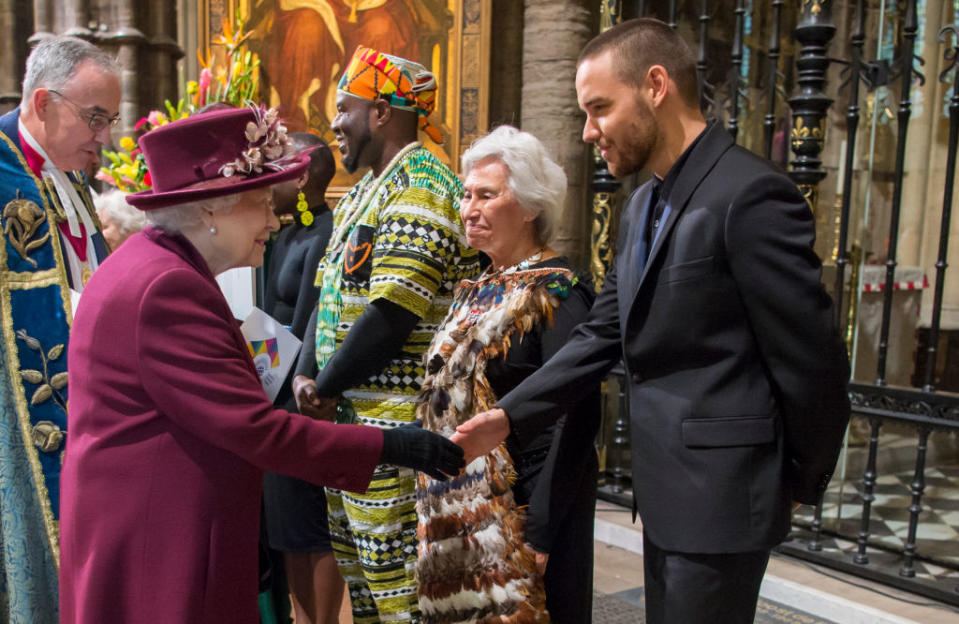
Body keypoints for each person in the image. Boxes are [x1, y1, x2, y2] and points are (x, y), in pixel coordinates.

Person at [452, 18, 851, 624]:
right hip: (665, 495)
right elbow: (600, 334)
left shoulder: (751, 194)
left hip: (724, 493)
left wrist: (798, 479)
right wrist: (508, 418)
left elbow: (811, 359)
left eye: (599, 109)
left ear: (656, 85)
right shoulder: (641, 205)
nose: (588, 132)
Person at [57, 105, 465, 624]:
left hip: (150, 519)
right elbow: (255, 429)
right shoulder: (166, 286)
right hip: (157, 536)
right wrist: (393, 445)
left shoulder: (154, 263)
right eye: (262, 204)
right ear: (211, 210)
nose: (276, 220)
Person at [291, 45, 479, 623]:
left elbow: (393, 313)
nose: (336, 126)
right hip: (356, 430)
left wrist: (322, 385)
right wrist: (304, 372)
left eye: (344, 109)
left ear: (380, 112)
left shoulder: (420, 183)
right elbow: (329, 302)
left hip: (398, 431)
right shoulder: (367, 191)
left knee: (405, 600)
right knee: (368, 593)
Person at [414, 125, 599, 623]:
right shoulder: (477, 287)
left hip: (522, 508)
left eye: (487, 195)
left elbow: (578, 416)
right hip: (456, 508)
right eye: (466, 195)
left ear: (533, 206)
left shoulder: (560, 291)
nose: (469, 209)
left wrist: (541, 528)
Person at [0, 35, 119, 622]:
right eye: (95, 117)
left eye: (110, 120)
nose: (104, 137)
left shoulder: (64, 178)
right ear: (44, 104)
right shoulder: (4, 175)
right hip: (19, 425)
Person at [260, 132, 343, 624]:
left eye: (280, 166)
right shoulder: (288, 231)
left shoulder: (326, 231)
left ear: (304, 174)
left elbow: (314, 318)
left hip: (301, 392)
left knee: (313, 525)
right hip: (273, 387)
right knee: (285, 523)